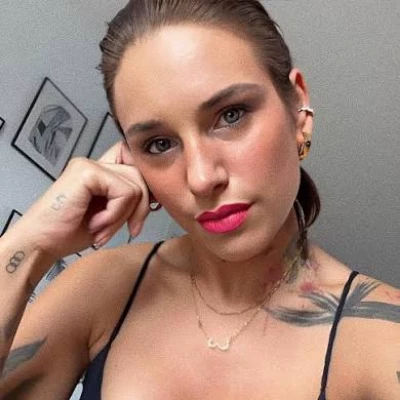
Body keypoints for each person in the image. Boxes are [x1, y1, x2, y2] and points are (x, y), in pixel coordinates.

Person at [0, 0, 399, 398]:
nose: (202, 178)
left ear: (298, 109)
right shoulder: (103, 286)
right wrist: (32, 243)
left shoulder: (380, 334)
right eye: (159, 144)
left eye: (231, 115)